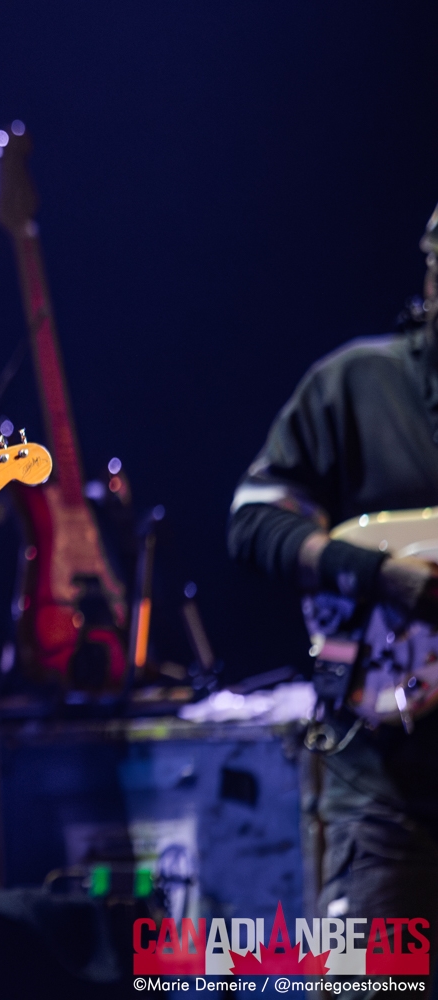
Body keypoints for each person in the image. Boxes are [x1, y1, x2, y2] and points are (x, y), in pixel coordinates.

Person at [229, 205, 438, 985]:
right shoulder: (357, 387)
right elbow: (254, 524)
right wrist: (379, 574)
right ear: (430, 274)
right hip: (381, 783)